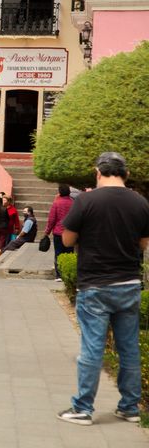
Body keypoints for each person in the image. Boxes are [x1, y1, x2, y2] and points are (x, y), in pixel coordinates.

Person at [57, 152, 149, 426]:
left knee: (92, 349)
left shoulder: (86, 200)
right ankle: (130, 407)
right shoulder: (141, 202)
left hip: (95, 284)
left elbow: (67, 237)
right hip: (129, 283)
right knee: (129, 347)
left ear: (98, 173)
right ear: (126, 173)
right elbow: (144, 243)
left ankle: (83, 409)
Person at [44, 184, 74, 281]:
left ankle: (59, 275)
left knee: (58, 253)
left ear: (60, 192)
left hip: (58, 232)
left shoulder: (56, 203)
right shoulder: (73, 203)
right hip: (70, 233)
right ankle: (68, 274)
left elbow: (52, 220)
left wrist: (47, 232)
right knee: (69, 253)